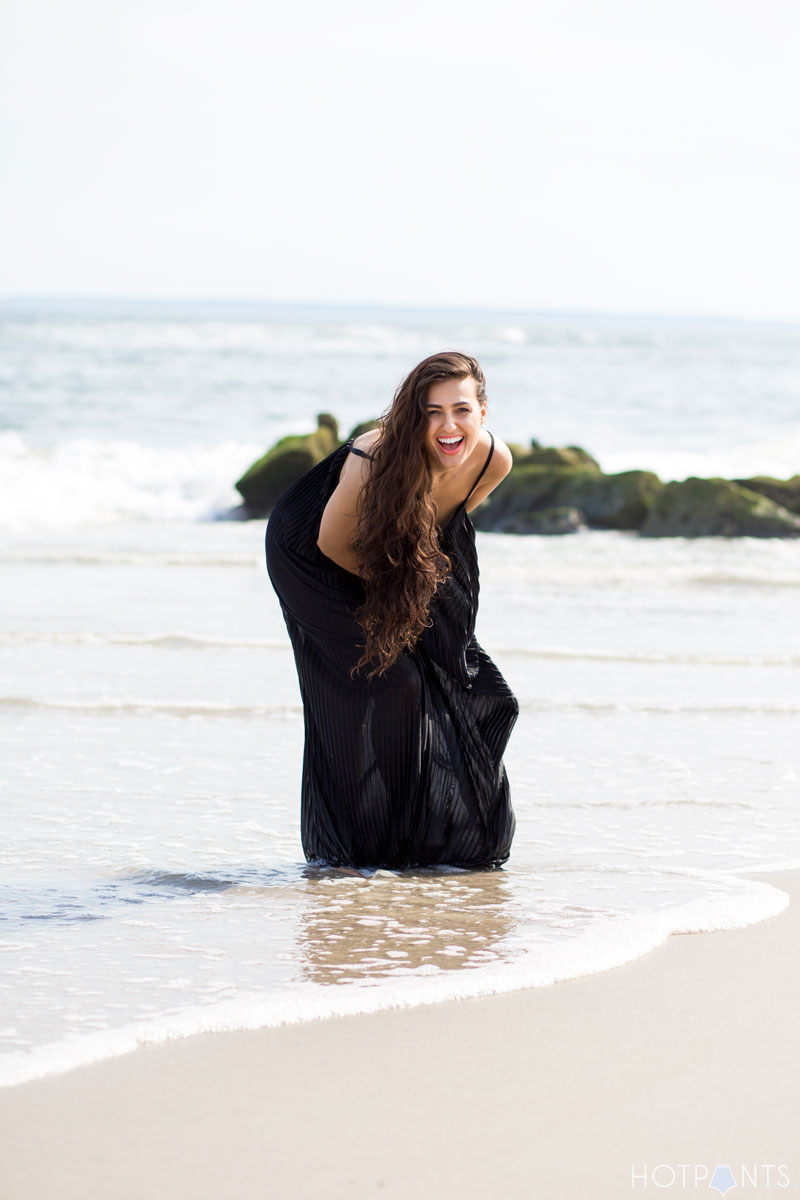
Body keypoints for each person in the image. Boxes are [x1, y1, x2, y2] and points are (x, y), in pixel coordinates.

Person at [265, 351, 519, 870]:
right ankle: (370, 845)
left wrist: (412, 566)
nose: (448, 425)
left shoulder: (494, 461)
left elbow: (446, 518)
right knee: (397, 682)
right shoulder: (377, 455)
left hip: (397, 557)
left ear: (483, 413)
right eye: (432, 412)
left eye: (461, 410)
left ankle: (436, 837)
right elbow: (335, 543)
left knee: (475, 688)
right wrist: (401, 592)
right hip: (312, 556)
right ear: (412, 415)